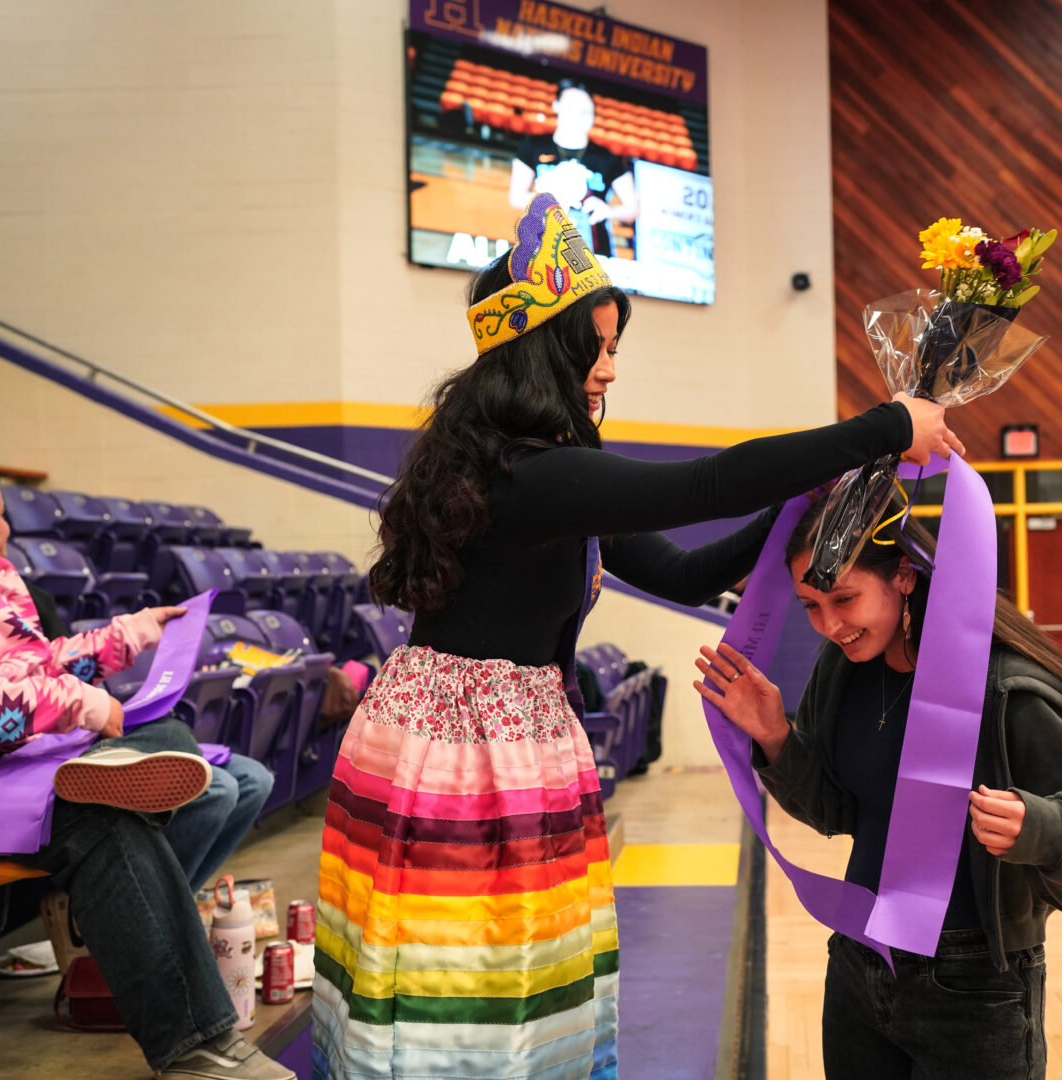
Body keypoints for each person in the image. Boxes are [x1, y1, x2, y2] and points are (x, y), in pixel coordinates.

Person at [311, 192, 962, 1080]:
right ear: (548, 351)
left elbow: (686, 573)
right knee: (467, 971)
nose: (610, 370)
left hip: (470, 738)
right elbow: (705, 486)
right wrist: (883, 426)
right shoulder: (536, 477)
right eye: (599, 347)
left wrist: (803, 501)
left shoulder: (522, 469)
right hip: (469, 757)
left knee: (485, 970)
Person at [692, 501, 1062, 1080]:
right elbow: (837, 809)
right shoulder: (843, 669)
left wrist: (1039, 828)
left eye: (844, 599)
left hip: (975, 989)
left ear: (904, 575)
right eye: (810, 605)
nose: (829, 625)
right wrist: (777, 738)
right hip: (859, 967)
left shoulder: (1007, 690)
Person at [0, 404, 295, 1080]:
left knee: (164, 734)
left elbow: (37, 667)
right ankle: (197, 1044)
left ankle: (114, 771)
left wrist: (130, 634)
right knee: (95, 810)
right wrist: (74, 704)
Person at [0, 470, 276, 892]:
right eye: (0, 517)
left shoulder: (7, 583)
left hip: (58, 730)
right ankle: (142, 914)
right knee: (212, 787)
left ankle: (164, 909)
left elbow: (50, 665)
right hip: (22, 751)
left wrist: (137, 632)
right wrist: (82, 703)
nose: (8, 529)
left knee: (248, 776)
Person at [509, 80, 636, 258]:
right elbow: (516, 197)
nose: (577, 116)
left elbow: (633, 209)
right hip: (542, 247)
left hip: (593, 251)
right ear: (556, 106)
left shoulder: (607, 158)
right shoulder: (533, 146)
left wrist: (607, 210)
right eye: (571, 107)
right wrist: (549, 202)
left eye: (585, 111)